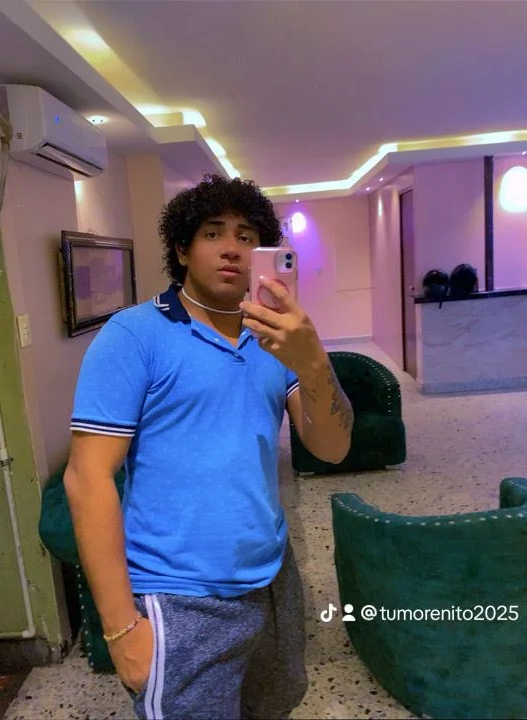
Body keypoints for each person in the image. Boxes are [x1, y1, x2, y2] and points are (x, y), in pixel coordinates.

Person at [64, 174, 353, 720]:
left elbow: (332, 448)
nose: (231, 248)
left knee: (270, 708)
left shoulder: (276, 340)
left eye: (246, 236)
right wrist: (120, 629)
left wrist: (312, 358)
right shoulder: (133, 335)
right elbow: (87, 478)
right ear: (182, 249)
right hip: (177, 594)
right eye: (213, 233)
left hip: (272, 578)